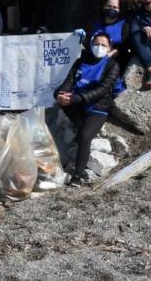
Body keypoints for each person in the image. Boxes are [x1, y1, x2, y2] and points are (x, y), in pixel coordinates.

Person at [54, 33, 120, 187]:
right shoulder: (80, 61)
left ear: (109, 48)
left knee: (84, 137)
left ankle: (78, 175)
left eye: (103, 45)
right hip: (77, 104)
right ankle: (85, 129)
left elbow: (103, 89)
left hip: (97, 108)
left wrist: (77, 98)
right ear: (90, 45)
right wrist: (58, 94)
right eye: (96, 44)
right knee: (62, 103)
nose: (99, 47)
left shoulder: (112, 65)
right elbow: (68, 82)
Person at [91, 0, 130, 71]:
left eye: (115, 7)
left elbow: (127, 45)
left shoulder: (124, 25)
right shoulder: (96, 25)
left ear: (119, 9)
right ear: (104, 7)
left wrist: (114, 52)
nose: (111, 9)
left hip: (116, 63)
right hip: (94, 62)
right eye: (109, 6)